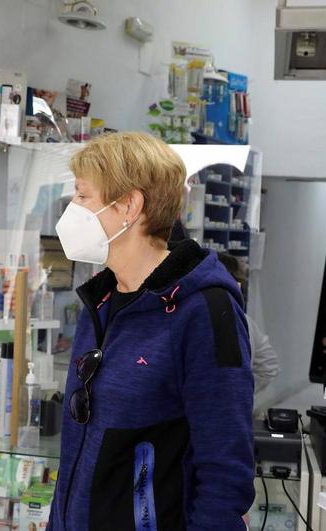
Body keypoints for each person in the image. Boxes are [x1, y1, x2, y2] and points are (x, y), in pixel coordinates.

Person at [48, 132, 255, 531]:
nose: (71, 209)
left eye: (82, 196)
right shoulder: (103, 302)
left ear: (129, 205)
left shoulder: (204, 308)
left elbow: (225, 469)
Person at [217, 253, 280, 417]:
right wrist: (242, 389)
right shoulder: (245, 321)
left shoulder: (195, 318)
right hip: (236, 412)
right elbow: (269, 367)